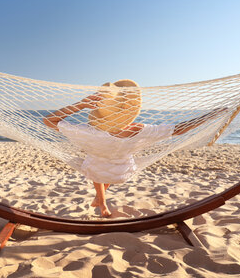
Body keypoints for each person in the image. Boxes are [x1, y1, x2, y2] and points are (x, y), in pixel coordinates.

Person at [43, 79, 226, 217]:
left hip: (95, 168)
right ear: (129, 110)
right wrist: (210, 116)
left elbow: (49, 121)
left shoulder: (90, 133)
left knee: (96, 160)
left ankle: (101, 200)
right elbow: (178, 129)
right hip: (121, 173)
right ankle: (102, 200)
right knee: (106, 164)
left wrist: (82, 104)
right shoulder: (140, 130)